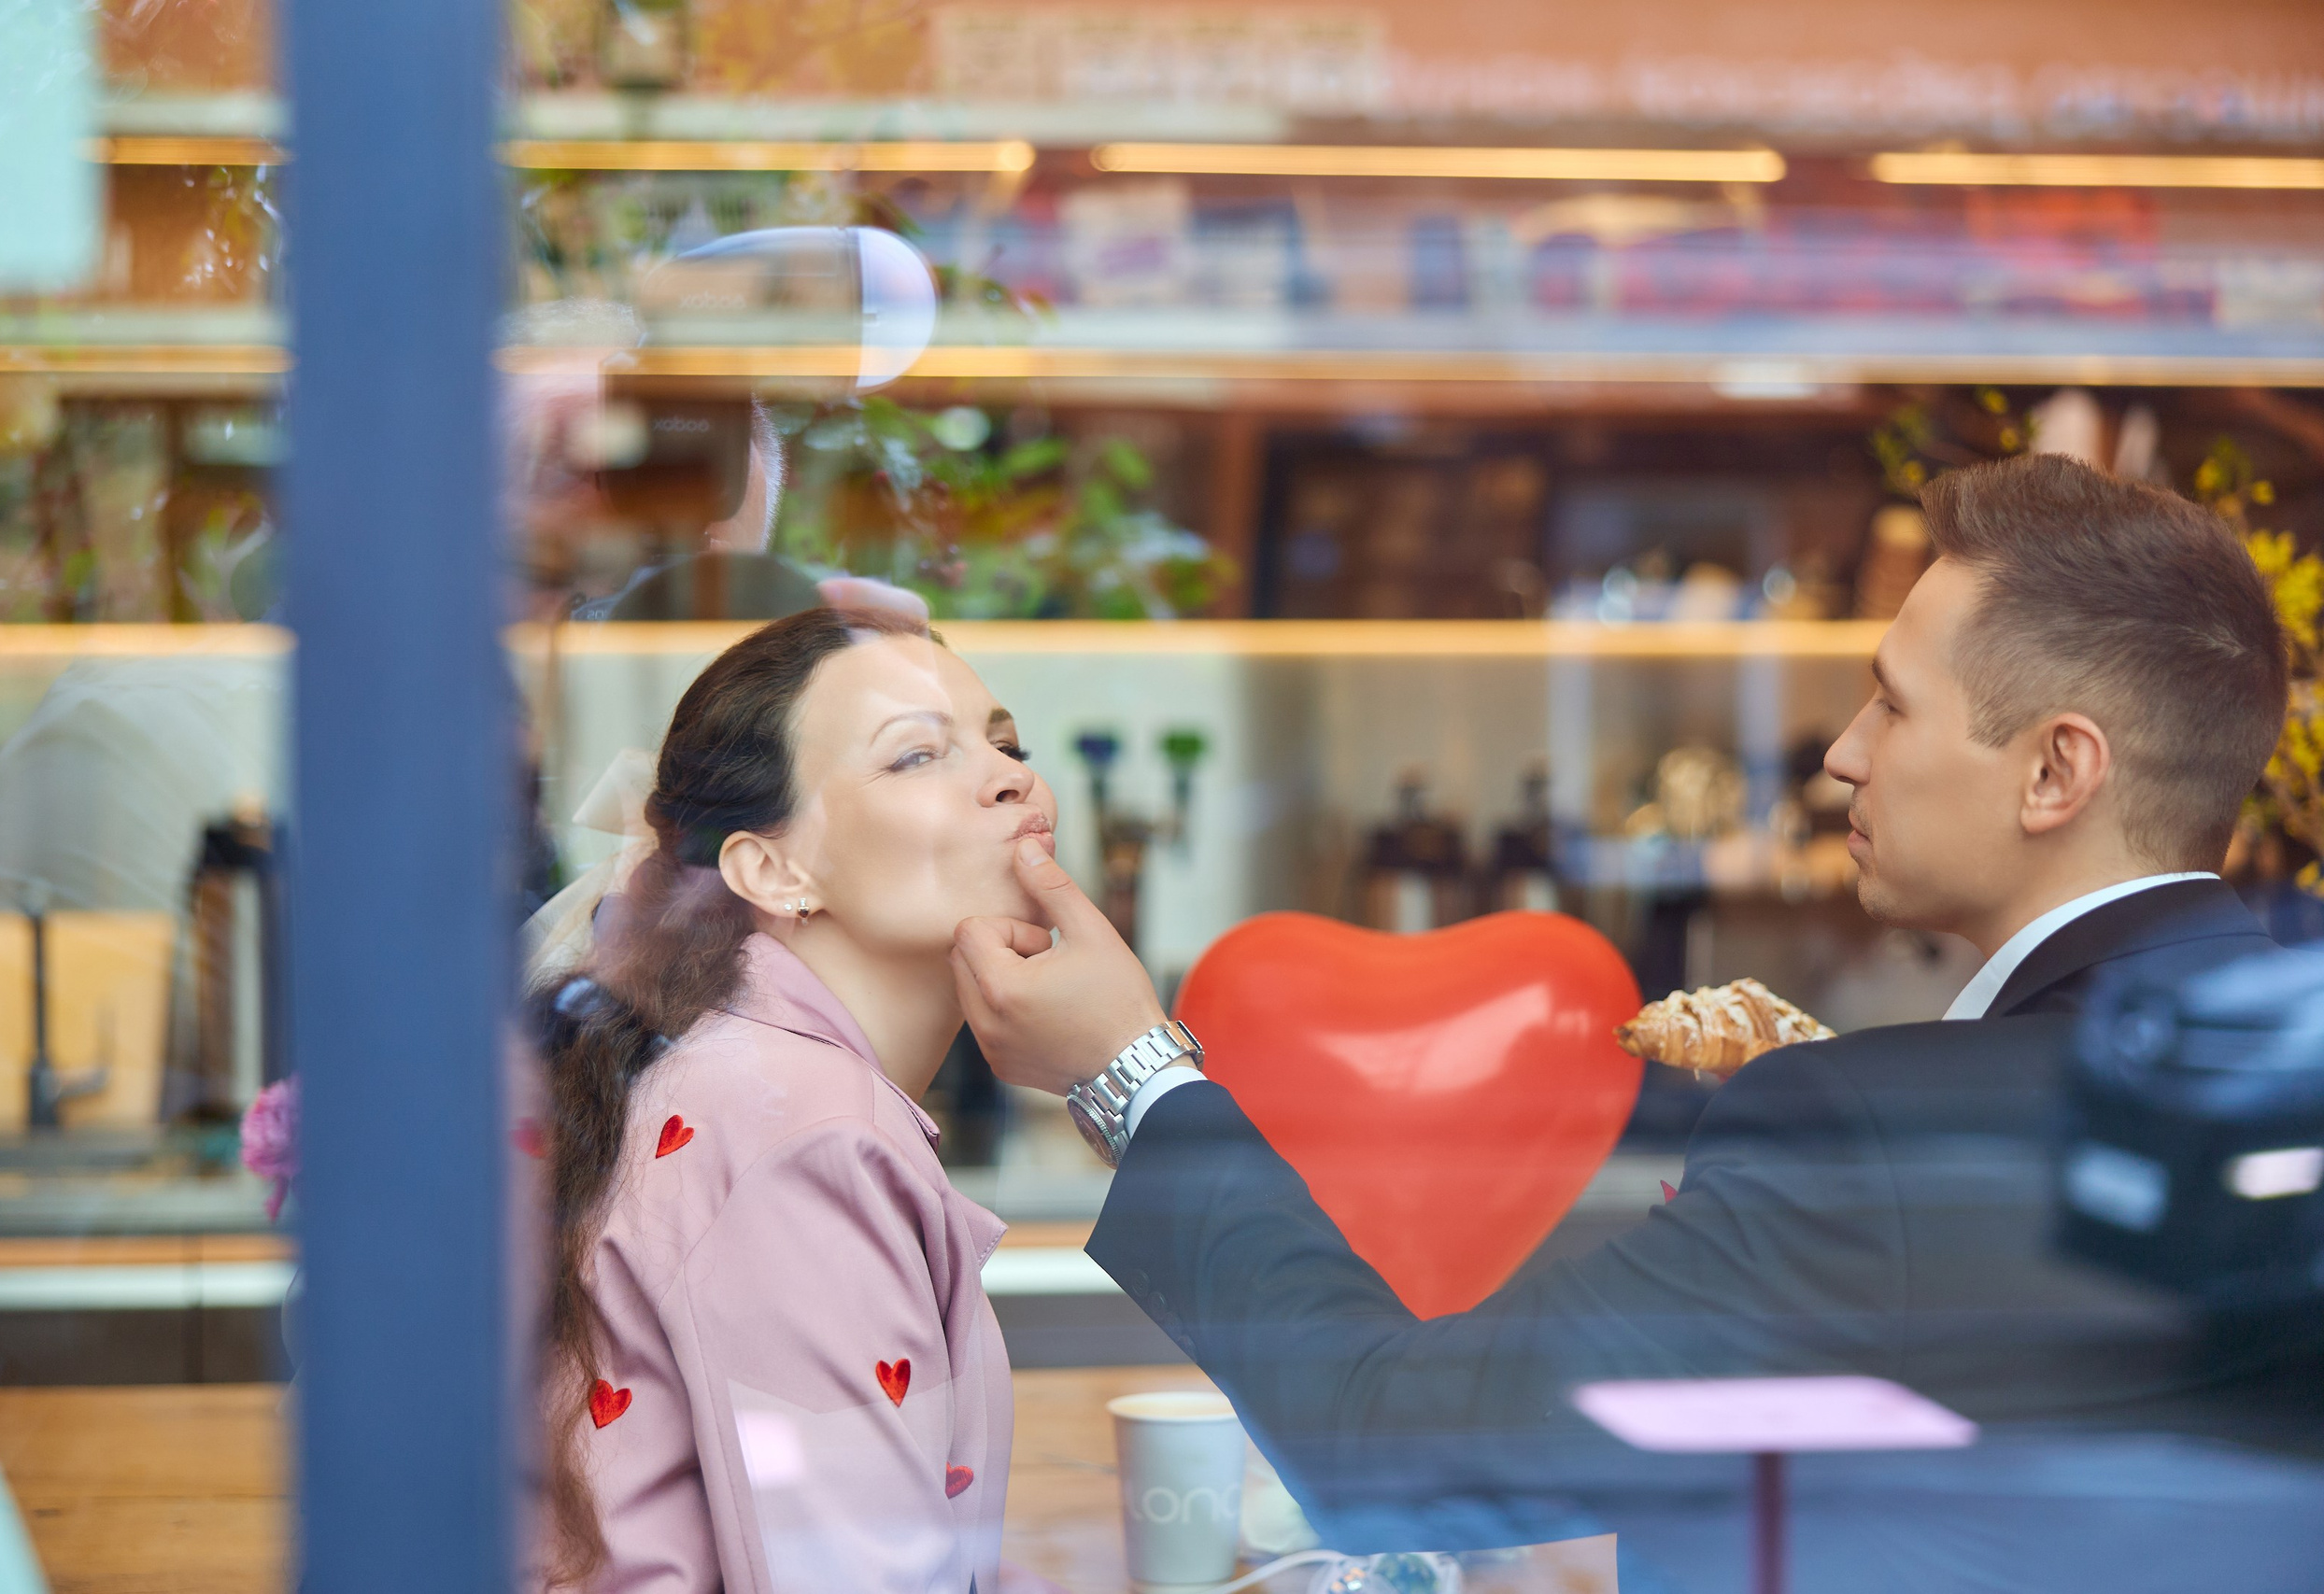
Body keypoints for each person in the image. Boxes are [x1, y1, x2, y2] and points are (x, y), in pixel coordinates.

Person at [951, 453, 2319, 1588]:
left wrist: (1127, 1072)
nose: (1842, 749)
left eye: (1894, 702)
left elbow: (1394, 1444)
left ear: (2055, 769)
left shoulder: (1877, 1128)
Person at [530, 606, 1057, 1592]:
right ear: (771, 870)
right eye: (916, 756)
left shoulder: (744, 1080)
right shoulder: (801, 1134)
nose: (1012, 776)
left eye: (1006, 743)